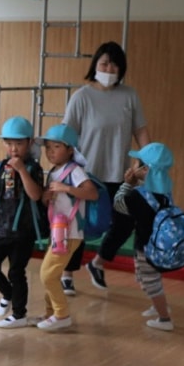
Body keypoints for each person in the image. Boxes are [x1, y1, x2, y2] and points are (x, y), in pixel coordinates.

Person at [65, 41, 152, 295]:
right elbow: (67, 135)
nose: (109, 69)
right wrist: (65, 170)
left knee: (126, 222)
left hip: (119, 173)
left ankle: (98, 263)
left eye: (114, 65)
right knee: (79, 226)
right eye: (104, 63)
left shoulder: (129, 95)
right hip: (86, 175)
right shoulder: (82, 97)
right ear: (95, 65)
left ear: (121, 68)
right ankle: (67, 274)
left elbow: (140, 131)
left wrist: (148, 158)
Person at [0, 117, 45, 329]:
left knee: (16, 271)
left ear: (29, 143)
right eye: (9, 143)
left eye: (19, 143)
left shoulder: (33, 168)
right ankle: (8, 293)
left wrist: (22, 170)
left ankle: (19, 314)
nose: (13, 148)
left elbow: (35, 195)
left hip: (23, 230)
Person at [36, 124, 98, 331]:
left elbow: (92, 193)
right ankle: (50, 313)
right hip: (57, 231)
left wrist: (67, 188)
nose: (50, 152)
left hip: (70, 232)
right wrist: (46, 197)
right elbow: (51, 201)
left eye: (56, 147)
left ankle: (62, 315)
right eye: (47, 147)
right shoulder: (54, 171)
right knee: (50, 273)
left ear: (70, 150)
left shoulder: (75, 170)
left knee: (48, 274)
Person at [117, 143, 177, 331]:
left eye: (136, 163)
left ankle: (164, 318)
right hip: (159, 245)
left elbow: (119, 204)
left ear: (145, 169)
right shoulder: (164, 191)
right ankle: (158, 303)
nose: (133, 166)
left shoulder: (139, 195)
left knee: (151, 282)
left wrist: (127, 184)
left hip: (146, 248)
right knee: (147, 277)